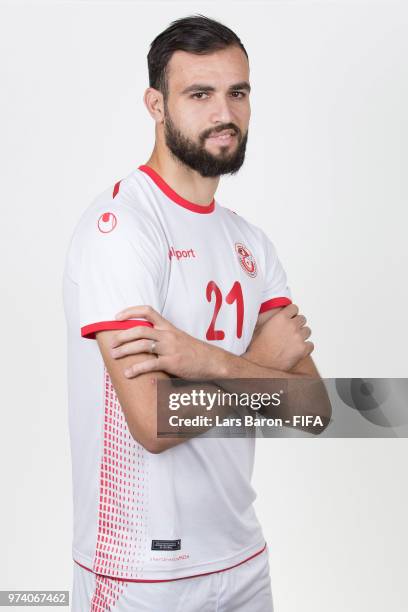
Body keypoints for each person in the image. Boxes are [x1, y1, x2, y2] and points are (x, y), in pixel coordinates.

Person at [63, 14, 330, 611]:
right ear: (155, 104)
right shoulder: (122, 228)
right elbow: (153, 423)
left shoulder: (250, 243)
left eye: (238, 93)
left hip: (242, 558)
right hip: (141, 571)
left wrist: (209, 361)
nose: (224, 113)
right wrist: (262, 363)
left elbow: (313, 408)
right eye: (200, 94)